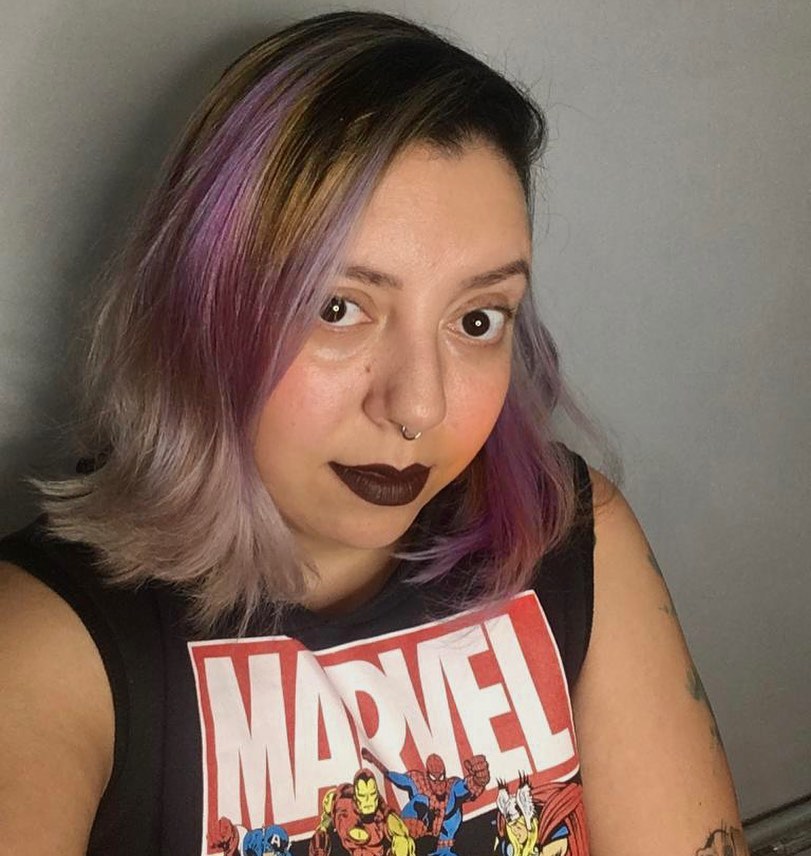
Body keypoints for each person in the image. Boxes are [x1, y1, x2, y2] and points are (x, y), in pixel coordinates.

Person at [0, 10, 749, 856]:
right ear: (201, 309)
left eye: (476, 319)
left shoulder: (567, 529)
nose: (418, 407)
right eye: (336, 307)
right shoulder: (47, 642)